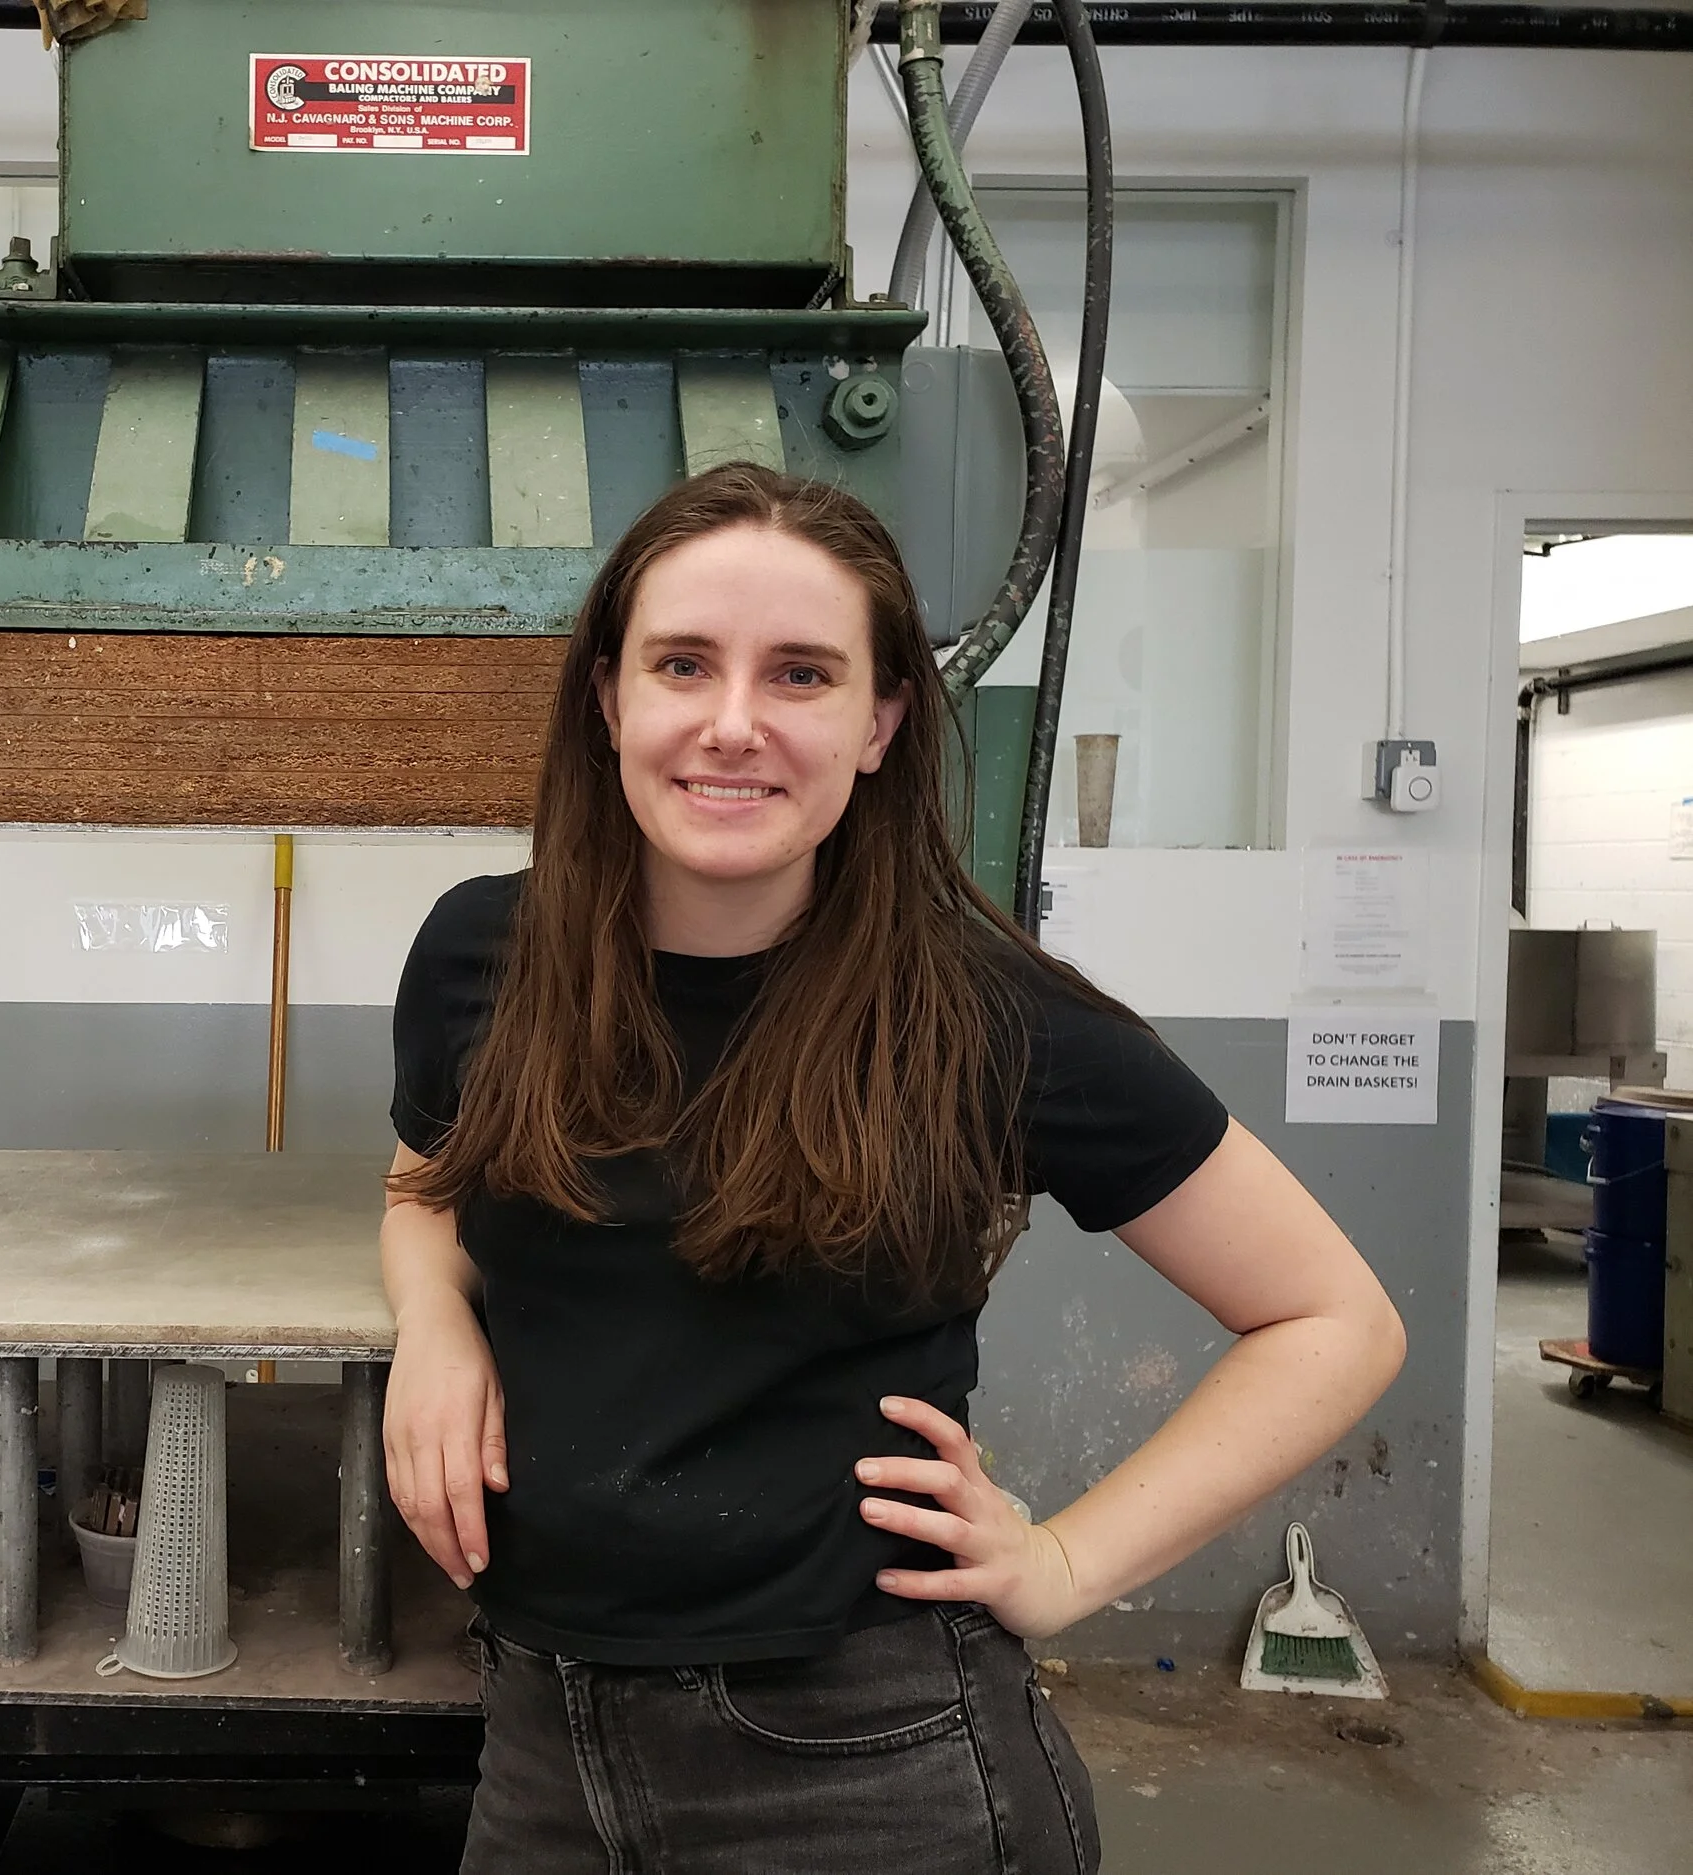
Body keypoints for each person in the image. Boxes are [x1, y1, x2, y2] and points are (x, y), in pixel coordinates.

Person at [380, 463, 1406, 1872]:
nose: (733, 722)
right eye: (686, 663)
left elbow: (1335, 1318)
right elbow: (421, 1180)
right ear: (611, 698)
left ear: (877, 723)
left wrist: (1064, 1562)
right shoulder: (478, 956)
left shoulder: (987, 1015)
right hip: (544, 1746)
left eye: (800, 673)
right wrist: (434, 1324)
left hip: (873, 1768)